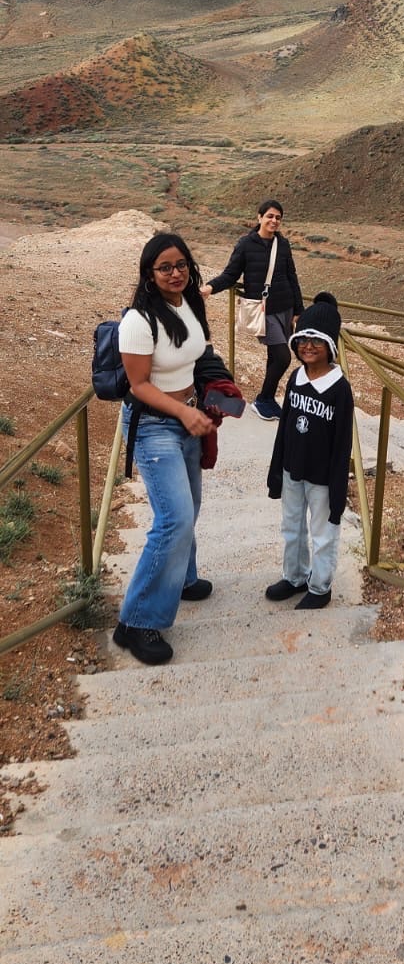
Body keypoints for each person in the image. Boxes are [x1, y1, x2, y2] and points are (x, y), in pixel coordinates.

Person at [113, 233, 216, 666]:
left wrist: (213, 394)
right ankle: (136, 622)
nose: (175, 273)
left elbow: (197, 354)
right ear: (149, 274)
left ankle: (181, 579)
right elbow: (139, 385)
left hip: (187, 415)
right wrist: (184, 412)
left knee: (190, 505)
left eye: (181, 265)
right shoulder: (138, 321)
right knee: (174, 517)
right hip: (155, 425)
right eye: (165, 267)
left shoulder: (188, 303)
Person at [265, 292, 354, 610]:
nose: (308, 346)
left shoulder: (340, 389)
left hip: (322, 477)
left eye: (317, 340)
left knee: (323, 532)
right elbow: (285, 428)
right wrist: (276, 470)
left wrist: (338, 492)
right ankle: (295, 576)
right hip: (292, 469)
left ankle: (320, 586)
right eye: (303, 339)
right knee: (291, 526)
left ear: (330, 345)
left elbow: (342, 443)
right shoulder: (296, 378)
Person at [201, 199, 303, 422]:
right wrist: (210, 287)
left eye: (278, 217)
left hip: (285, 308)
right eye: (270, 216)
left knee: (274, 356)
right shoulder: (246, 244)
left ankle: (268, 400)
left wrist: (298, 309)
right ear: (259, 217)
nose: (274, 221)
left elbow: (291, 276)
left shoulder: (282, 244)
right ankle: (263, 399)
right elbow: (230, 274)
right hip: (263, 311)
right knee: (283, 357)